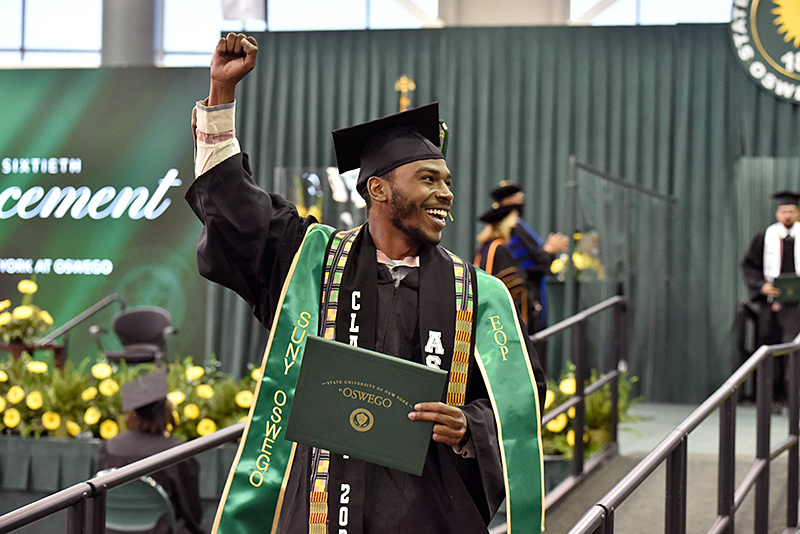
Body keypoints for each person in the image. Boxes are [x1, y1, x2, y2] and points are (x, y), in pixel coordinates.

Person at [185, 33, 546, 534]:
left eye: (446, 180)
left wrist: (470, 427)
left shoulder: (478, 296)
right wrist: (221, 94)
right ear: (379, 188)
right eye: (428, 179)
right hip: (320, 510)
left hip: (430, 515)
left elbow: (520, 401)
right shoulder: (310, 262)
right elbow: (232, 207)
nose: (447, 192)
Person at [98, 369, 206, 534]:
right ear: (167, 414)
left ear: (132, 415)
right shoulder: (178, 453)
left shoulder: (110, 448)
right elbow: (191, 514)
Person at [475, 182, 569, 335]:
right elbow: (519, 275)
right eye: (517, 198)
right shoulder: (502, 244)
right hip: (518, 311)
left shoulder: (490, 245)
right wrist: (548, 251)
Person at [741, 190, 800, 407]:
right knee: (769, 348)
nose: (787, 215)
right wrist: (762, 286)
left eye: (792, 211)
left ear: (798, 213)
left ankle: (791, 397)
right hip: (771, 304)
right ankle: (770, 398)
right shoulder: (765, 238)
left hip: (796, 307)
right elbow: (749, 265)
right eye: (784, 211)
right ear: (777, 213)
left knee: (792, 348)